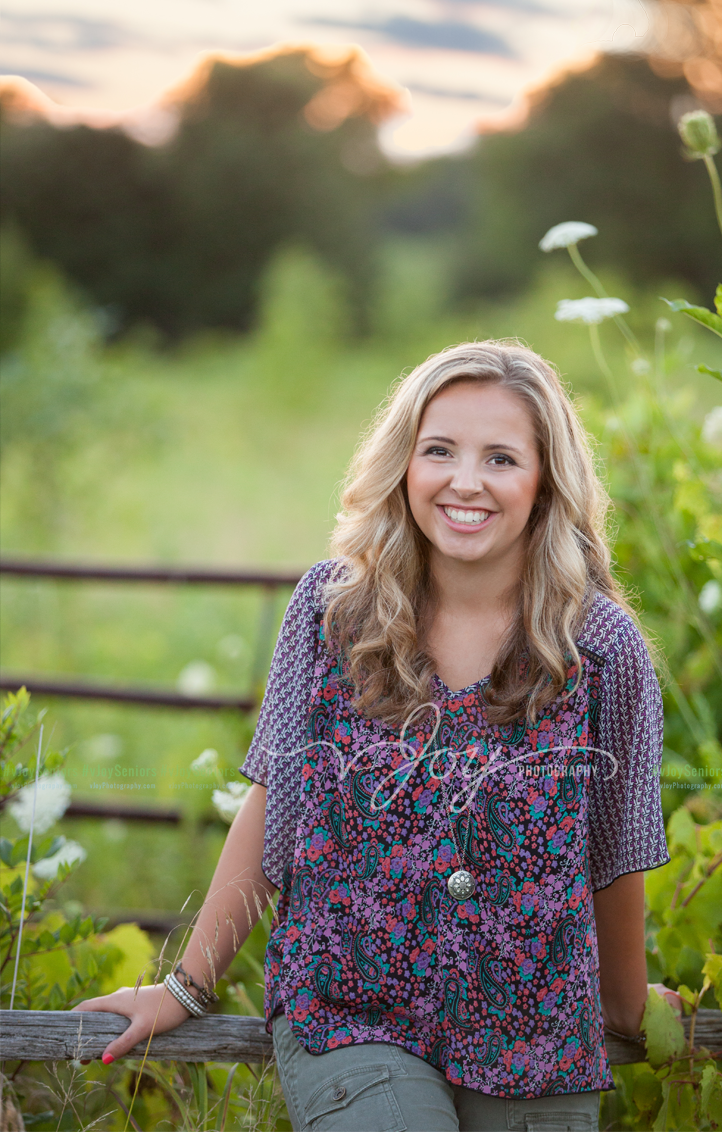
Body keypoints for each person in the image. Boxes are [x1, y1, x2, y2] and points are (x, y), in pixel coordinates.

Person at [76, 340, 681, 1131]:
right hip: (352, 1014)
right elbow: (278, 804)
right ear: (404, 464)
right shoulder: (335, 614)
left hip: (534, 1032)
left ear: (546, 482)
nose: (466, 481)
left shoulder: (599, 649)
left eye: (501, 458)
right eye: (440, 451)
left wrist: (632, 1008)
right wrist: (186, 985)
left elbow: (617, 851)